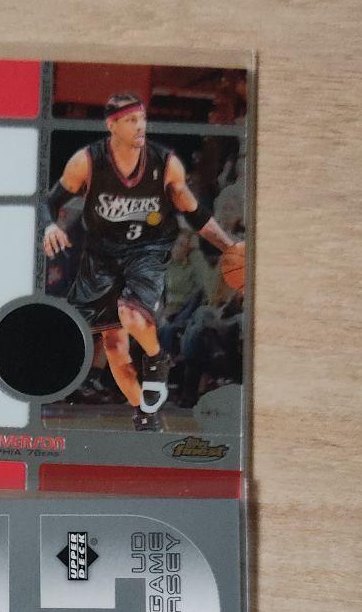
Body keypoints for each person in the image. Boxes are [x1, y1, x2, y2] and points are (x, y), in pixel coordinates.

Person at [41, 92, 241, 430]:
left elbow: (195, 214)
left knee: (130, 315)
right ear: (112, 125)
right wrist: (49, 225)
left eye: (143, 119)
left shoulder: (166, 164)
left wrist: (229, 245)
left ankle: (156, 356)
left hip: (145, 255)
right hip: (101, 260)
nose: (140, 126)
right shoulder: (86, 161)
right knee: (115, 348)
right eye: (132, 120)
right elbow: (49, 201)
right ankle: (145, 414)